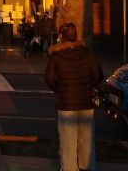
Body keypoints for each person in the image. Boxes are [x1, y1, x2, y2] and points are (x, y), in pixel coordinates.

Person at [44, 23, 104, 171]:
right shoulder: (87, 55)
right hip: (86, 102)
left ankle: (70, 168)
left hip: (67, 104)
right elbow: (98, 75)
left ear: (60, 37)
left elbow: (50, 79)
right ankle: (87, 167)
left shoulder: (57, 57)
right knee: (87, 140)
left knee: (68, 141)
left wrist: (61, 90)